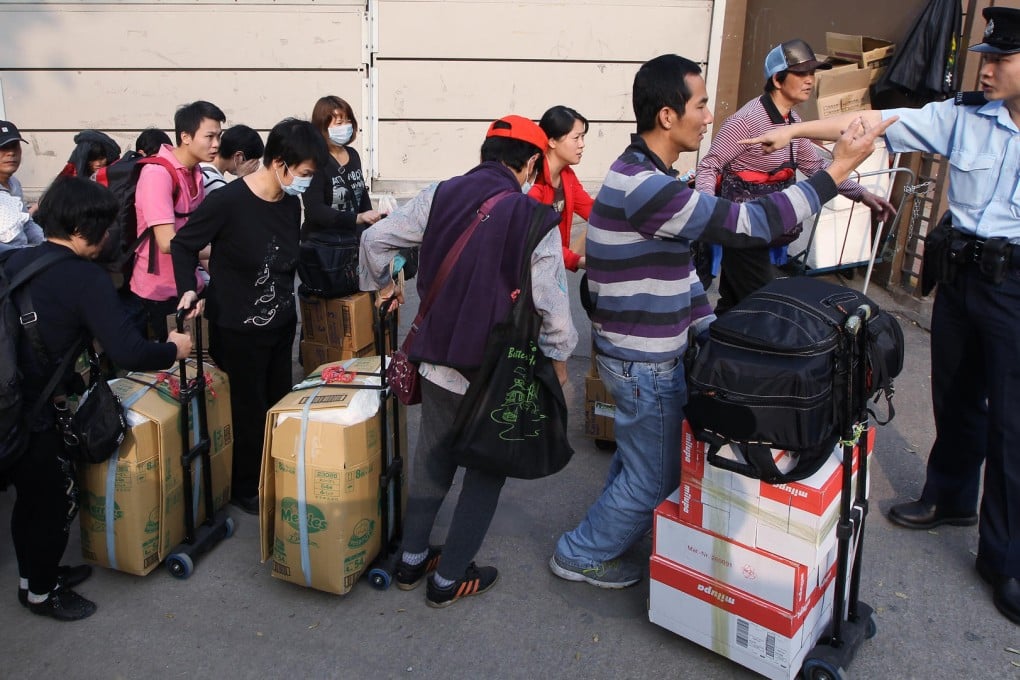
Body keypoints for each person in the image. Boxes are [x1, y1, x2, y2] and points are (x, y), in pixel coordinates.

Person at [548, 53, 892, 589]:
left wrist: (711, 328)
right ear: (667, 115)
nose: (710, 118)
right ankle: (580, 554)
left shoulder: (647, 174)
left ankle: (601, 533)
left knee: (640, 460)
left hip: (639, 354)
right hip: (645, 364)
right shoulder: (649, 187)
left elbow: (676, 269)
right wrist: (838, 170)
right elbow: (752, 224)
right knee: (655, 472)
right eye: (702, 104)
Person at [742, 7, 1020, 627]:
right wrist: (794, 133)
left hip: (1016, 287)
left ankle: (1009, 558)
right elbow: (871, 121)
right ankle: (949, 498)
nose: (988, 67)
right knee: (955, 395)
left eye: (1001, 59)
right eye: (988, 56)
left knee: (1013, 421)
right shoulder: (965, 114)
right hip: (963, 275)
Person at [359, 115, 577, 607]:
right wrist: (560, 362)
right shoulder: (532, 217)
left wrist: (384, 286)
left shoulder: (439, 193)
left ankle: (412, 561)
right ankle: (449, 578)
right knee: (485, 467)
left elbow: (374, 241)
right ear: (530, 163)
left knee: (432, 458)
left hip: (435, 361)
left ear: (485, 153)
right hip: (497, 371)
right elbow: (553, 306)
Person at [5, 176, 192, 620]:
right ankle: (42, 594)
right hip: (41, 412)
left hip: (10, 403)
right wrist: (174, 348)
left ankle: (33, 577)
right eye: (106, 227)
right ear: (83, 229)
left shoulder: (16, 262)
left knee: (29, 499)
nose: (110, 236)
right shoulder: (84, 278)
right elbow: (130, 351)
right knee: (49, 504)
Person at [172, 118, 327, 516]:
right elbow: (182, 245)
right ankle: (244, 486)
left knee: (276, 404)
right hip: (238, 327)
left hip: (280, 325)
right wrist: (189, 288)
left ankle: (271, 474)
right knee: (247, 410)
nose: (306, 181)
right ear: (280, 162)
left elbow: (290, 257)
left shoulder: (292, 204)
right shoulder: (229, 201)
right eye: (305, 173)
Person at [695, 39, 896, 313]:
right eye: (802, 73)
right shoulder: (745, 121)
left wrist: (863, 194)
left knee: (735, 305)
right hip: (743, 233)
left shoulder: (794, 124)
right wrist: (708, 211)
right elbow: (710, 165)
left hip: (770, 233)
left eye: (812, 73)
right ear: (778, 79)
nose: (810, 80)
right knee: (767, 306)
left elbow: (816, 169)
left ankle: (716, 347)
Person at [128, 100, 225, 340]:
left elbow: (196, 234)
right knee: (173, 368)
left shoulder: (197, 172)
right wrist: (225, 251)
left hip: (190, 285)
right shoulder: (157, 175)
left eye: (219, 136)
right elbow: (167, 242)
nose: (216, 145)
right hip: (160, 293)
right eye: (210, 136)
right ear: (186, 136)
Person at [301, 95, 384, 241]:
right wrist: (356, 218)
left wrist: (372, 219)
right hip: (324, 246)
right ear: (322, 126)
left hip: (353, 240)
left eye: (348, 121)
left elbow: (361, 194)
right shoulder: (314, 160)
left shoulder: (352, 154)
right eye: (339, 123)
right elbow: (315, 209)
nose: (345, 127)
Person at [528, 105, 595, 272]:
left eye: (583, 137)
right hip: (529, 271)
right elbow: (539, 244)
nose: (582, 145)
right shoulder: (534, 186)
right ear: (551, 141)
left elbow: (593, 211)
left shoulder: (567, 176)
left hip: (551, 266)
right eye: (576, 138)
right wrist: (579, 261)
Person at [0, 121, 44, 251]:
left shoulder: (14, 183)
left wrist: (47, 245)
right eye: (3, 148)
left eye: (14, 146)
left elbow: (27, 223)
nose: (11, 153)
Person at [200, 124, 263, 194]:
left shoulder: (200, 169)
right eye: (252, 164)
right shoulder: (215, 184)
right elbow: (237, 203)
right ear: (239, 157)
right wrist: (243, 179)